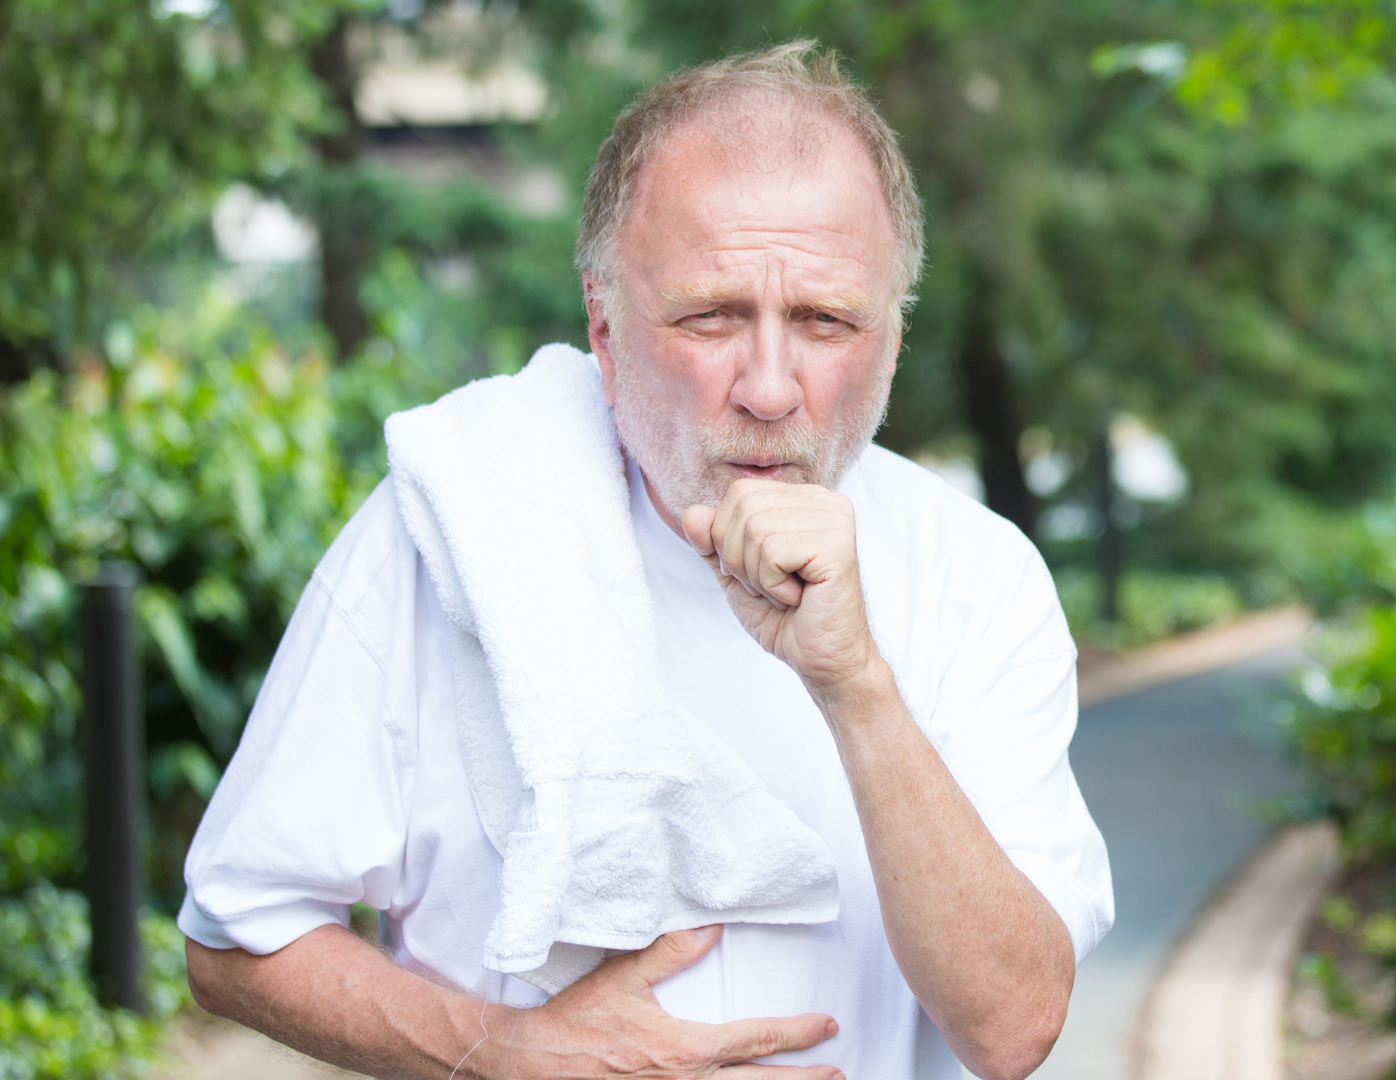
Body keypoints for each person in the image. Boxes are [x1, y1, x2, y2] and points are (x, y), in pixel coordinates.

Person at [178, 41, 1111, 1080]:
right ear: (605, 325)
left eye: (825, 321)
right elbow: (235, 934)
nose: (769, 386)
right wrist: (501, 1051)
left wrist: (855, 684)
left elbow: (1014, 1024)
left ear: (891, 339)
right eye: (711, 315)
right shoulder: (447, 529)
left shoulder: (977, 578)